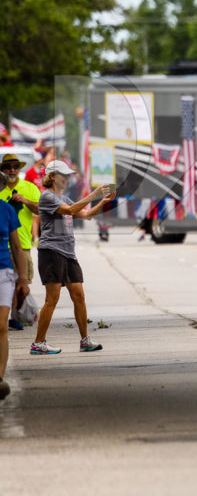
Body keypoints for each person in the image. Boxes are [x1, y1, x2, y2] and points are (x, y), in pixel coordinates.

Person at [30, 160, 115, 355]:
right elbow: (69, 211)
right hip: (51, 251)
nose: (67, 179)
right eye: (64, 175)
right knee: (52, 299)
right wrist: (93, 194)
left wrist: (101, 202)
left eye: (69, 175)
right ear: (52, 177)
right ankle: (38, 343)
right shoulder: (47, 197)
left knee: (79, 296)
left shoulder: (64, 198)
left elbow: (84, 214)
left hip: (68, 253)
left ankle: (85, 340)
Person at [0, 153, 40, 332]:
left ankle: (15, 315)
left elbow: (42, 209)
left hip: (22, 243)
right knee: (7, 283)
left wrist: (25, 201)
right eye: (8, 167)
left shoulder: (29, 187)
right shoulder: (1, 188)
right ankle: (9, 317)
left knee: (22, 282)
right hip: (3, 244)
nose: (12, 170)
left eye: (15, 166)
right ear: (3, 170)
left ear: (20, 168)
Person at [0, 197, 28, 401]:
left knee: (1, 326)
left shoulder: (7, 210)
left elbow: (17, 247)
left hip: (5, 273)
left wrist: (23, 279)